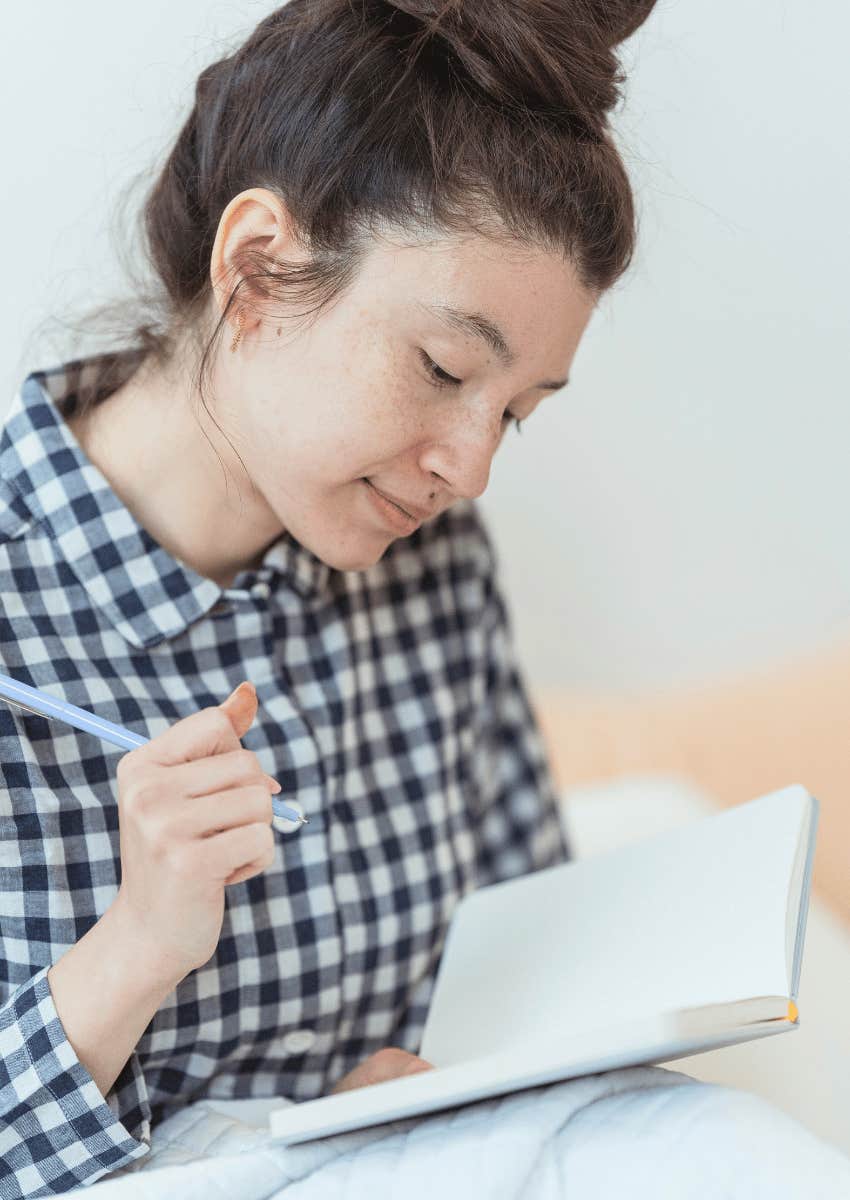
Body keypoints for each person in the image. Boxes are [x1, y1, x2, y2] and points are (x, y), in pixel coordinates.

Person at [2, 2, 845, 1197]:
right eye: (443, 368)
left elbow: (523, 969)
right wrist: (136, 951)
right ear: (255, 270)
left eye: (513, 411)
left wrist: (401, 1100)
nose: (470, 466)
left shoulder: (433, 569)